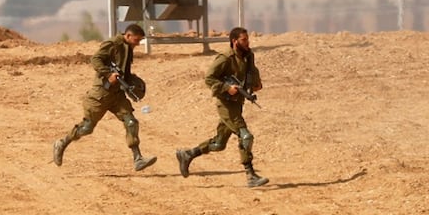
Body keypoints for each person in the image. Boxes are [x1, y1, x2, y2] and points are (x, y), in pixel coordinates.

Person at [52, 23, 157, 171]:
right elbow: (95, 59)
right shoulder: (112, 44)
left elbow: (124, 71)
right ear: (128, 36)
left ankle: (138, 158)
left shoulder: (128, 48)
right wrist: (109, 74)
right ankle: (62, 143)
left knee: (131, 122)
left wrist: (131, 84)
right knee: (87, 127)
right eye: (136, 40)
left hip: (117, 95)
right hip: (101, 94)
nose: (138, 44)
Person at [175, 27, 268, 187]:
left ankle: (187, 154)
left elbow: (251, 74)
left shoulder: (248, 57)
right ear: (235, 41)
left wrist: (256, 85)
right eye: (244, 40)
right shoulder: (225, 58)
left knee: (219, 144)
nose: (247, 43)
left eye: (247, 39)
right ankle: (250, 175)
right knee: (245, 136)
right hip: (225, 104)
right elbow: (209, 78)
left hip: (238, 104)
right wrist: (227, 88)